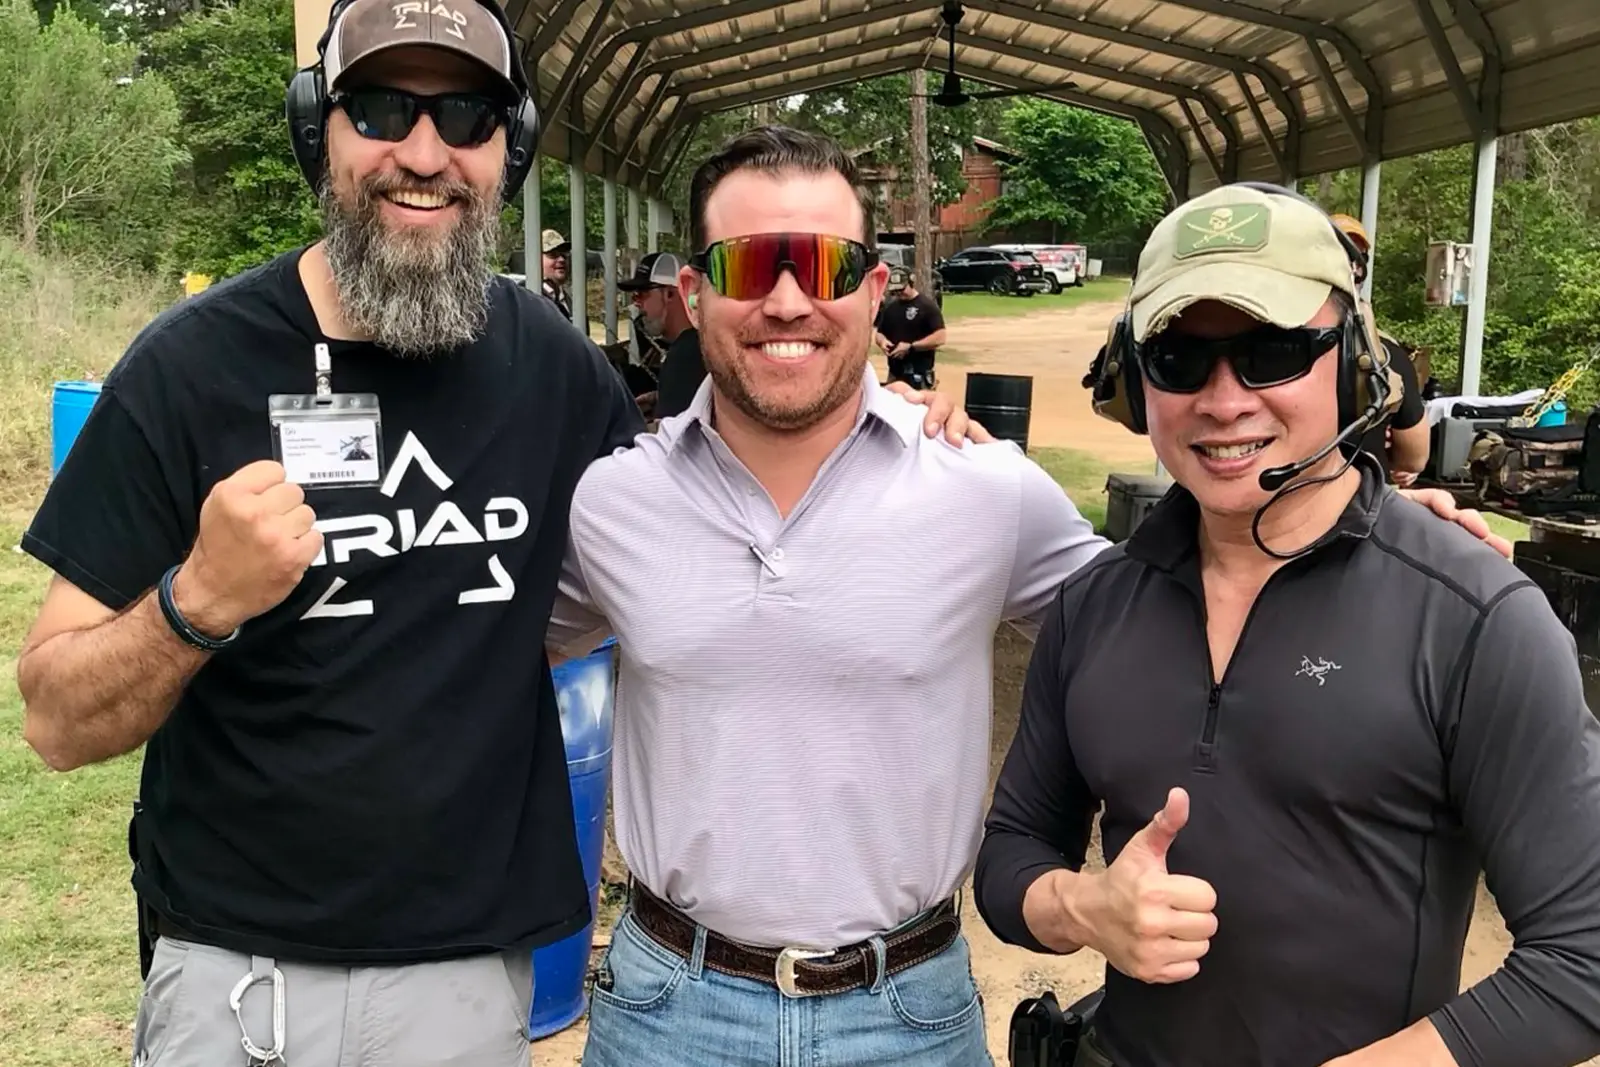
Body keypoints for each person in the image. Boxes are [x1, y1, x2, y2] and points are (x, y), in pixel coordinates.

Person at [545, 129, 1511, 1067]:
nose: (791, 301)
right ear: (693, 291)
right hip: (669, 1004)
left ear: (875, 292)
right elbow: (481, 634)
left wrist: (1369, 538)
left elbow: (1172, 605)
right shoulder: (613, 502)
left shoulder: (983, 489)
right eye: (752, 266)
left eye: (829, 265)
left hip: (903, 1010)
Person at [14, 1, 651, 1062]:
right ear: (321, 130)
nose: (424, 151)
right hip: (234, 981)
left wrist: (899, 421)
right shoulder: (189, 368)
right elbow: (54, 722)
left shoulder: (556, 370)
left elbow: (692, 522)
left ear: (509, 149)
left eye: (465, 116)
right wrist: (197, 599)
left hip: (460, 981)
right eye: (384, 107)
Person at [976, 183, 1600, 1067]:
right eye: (1180, 361)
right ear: (1133, 382)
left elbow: (1582, 961)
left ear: (1354, 364)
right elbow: (1011, 855)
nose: (1224, 401)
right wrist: (1082, 908)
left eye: (1272, 352)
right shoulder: (1094, 605)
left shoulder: (1471, 617)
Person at [1329, 213, 1429, 484]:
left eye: (1360, 257)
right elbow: (1413, 458)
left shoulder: (1266, 341)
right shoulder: (1385, 353)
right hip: (1365, 504)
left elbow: (1413, 459)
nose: (1355, 266)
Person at [618, 251, 705, 419]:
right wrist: (659, 398)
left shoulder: (684, 357)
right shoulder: (699, 345)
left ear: (670, 294)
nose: (637, 304)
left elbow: (675, 441)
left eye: (642, 294)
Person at [875, 265, 947, 390]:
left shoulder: (927, 306)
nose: (898, 293)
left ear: (911, 282)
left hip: (919, 375)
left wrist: (911, 346)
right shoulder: (890, 308)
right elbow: (880, 333)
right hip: (895, 374)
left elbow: (940, 337)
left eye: (902, 289)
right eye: (895, 290)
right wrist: (882, 342)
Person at [541, 227, 573, 321]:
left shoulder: (569, 300)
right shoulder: (526, 297)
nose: (562, 260)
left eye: (564, 254)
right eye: (553, 254)